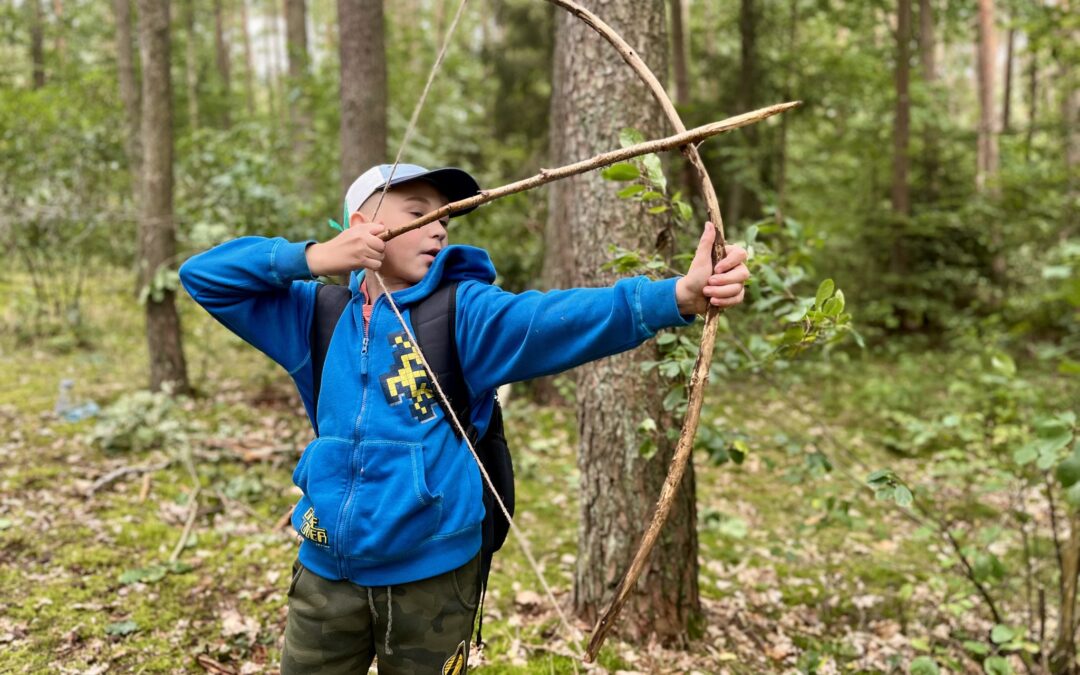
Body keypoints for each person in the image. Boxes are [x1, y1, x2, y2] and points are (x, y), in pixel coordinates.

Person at [178, 163, 749, 674]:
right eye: (418, 214)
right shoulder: (314, 316)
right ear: (362, 225)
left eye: (445, 219)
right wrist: (311, 258)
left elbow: (555, 318)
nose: (439, 229)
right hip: (327, 569)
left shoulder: (464, 312)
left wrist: (676, 297)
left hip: (433, 573)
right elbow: (203, 277)